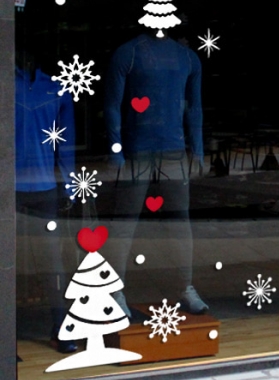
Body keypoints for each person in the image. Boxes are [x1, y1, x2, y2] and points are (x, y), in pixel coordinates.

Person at [103, 33, 208, 316]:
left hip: (170, 151)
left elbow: (195, 107)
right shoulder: (130, 53)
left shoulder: (186, 58)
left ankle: (184, 286)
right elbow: (112, 104)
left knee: (179, 223)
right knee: (125, 222)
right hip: (139, 152)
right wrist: (116, 150)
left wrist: (197, 149)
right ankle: (115, 289)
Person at [15, 52, 77, 353]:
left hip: (44, 190)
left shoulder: (57, 88)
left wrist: (69, 185)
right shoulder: (5, 84)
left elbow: (65, 142)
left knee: (52, 262)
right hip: (8, 190)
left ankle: (60, 327)